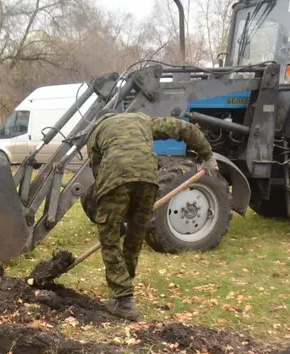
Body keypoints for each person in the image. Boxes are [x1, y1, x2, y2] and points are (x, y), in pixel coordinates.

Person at [81, 111, 218, 321]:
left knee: (109, 239)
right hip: (149, 178)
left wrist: (114, 214)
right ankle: (124, 294)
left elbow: (98, 172)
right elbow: (184, 128)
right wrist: (207, 155)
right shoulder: (143, 120)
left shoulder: (96, 132)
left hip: (114, 177)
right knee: (135, 236)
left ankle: (123, 298)